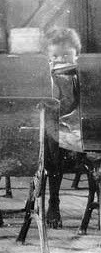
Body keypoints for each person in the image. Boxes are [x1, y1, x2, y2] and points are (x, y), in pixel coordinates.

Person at [45, 27, 83, 229]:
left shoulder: (82, 75)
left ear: (77, 55)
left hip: (80, 127)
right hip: (56, 129)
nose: (61, 60)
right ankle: (54, 200)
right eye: (55, 56)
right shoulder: (49, 77)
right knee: (51, 140)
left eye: (67, 55)